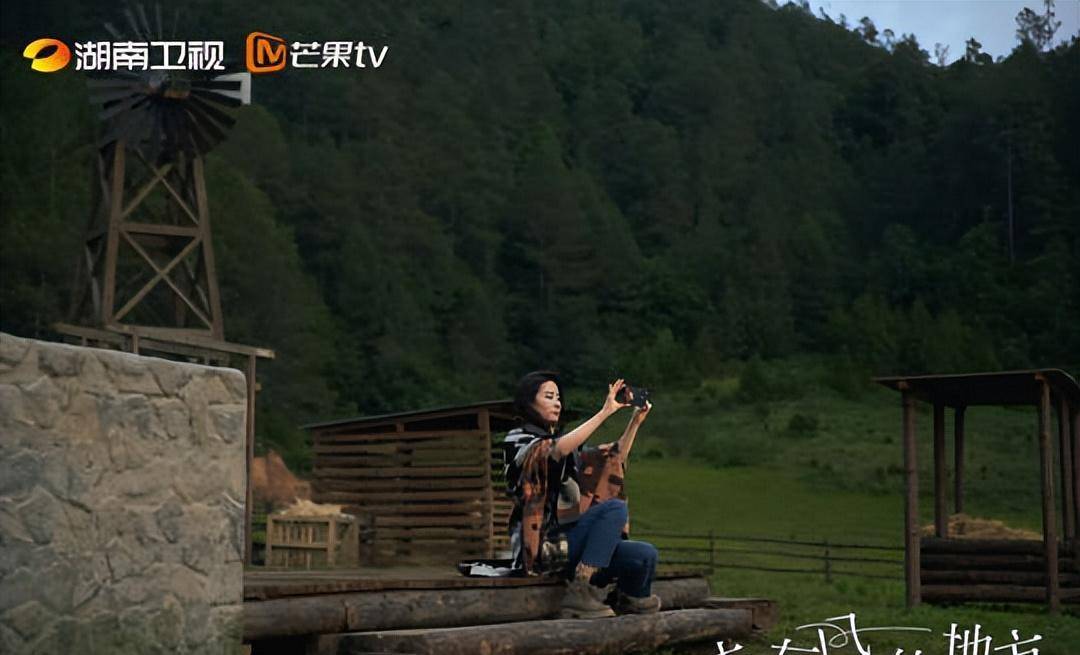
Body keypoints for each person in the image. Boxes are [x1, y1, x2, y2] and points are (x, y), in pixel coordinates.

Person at [502, 370, 661, 618]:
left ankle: (630, 602)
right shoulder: (518, 439)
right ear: (529, 402)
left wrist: (635, 422)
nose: (557, 403)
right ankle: (581, 588)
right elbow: (554, 451)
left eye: (558, 397)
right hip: (544, 549)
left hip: (574, 545)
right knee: (615, 508)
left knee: (645, 554)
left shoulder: (566, 447)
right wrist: (605, 412)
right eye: (549, 396)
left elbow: (613, 458)